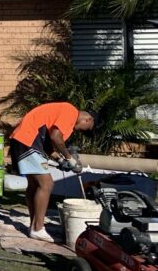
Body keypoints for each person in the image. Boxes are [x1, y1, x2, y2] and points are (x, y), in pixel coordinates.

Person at [9, 103, 96, 242]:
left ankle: (33, 226)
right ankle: (38, 229)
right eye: (86, 130)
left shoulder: (63, 114)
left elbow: (49, 144)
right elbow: (56, 137)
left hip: (23, 139)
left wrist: (59, 160)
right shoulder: (70, 111)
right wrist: (70, 159)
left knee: (34, 186)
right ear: (88, 120)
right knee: (46, 184)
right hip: (27, 140)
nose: (81, 132)